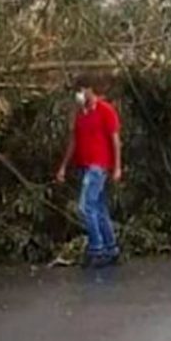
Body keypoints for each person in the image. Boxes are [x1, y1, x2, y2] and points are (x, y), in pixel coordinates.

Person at [56, 75, 123, 267]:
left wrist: (117, 167)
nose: (78, 95)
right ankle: (111, 248)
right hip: (85, 165)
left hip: (98, 166)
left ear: (89, 90)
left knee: (85, 207)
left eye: (81, 90)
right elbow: (74, 142)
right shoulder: (80, 114)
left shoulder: (105, 111)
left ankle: (97, 249)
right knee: (99, 208)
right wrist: (63, 166)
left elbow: (115, 140)